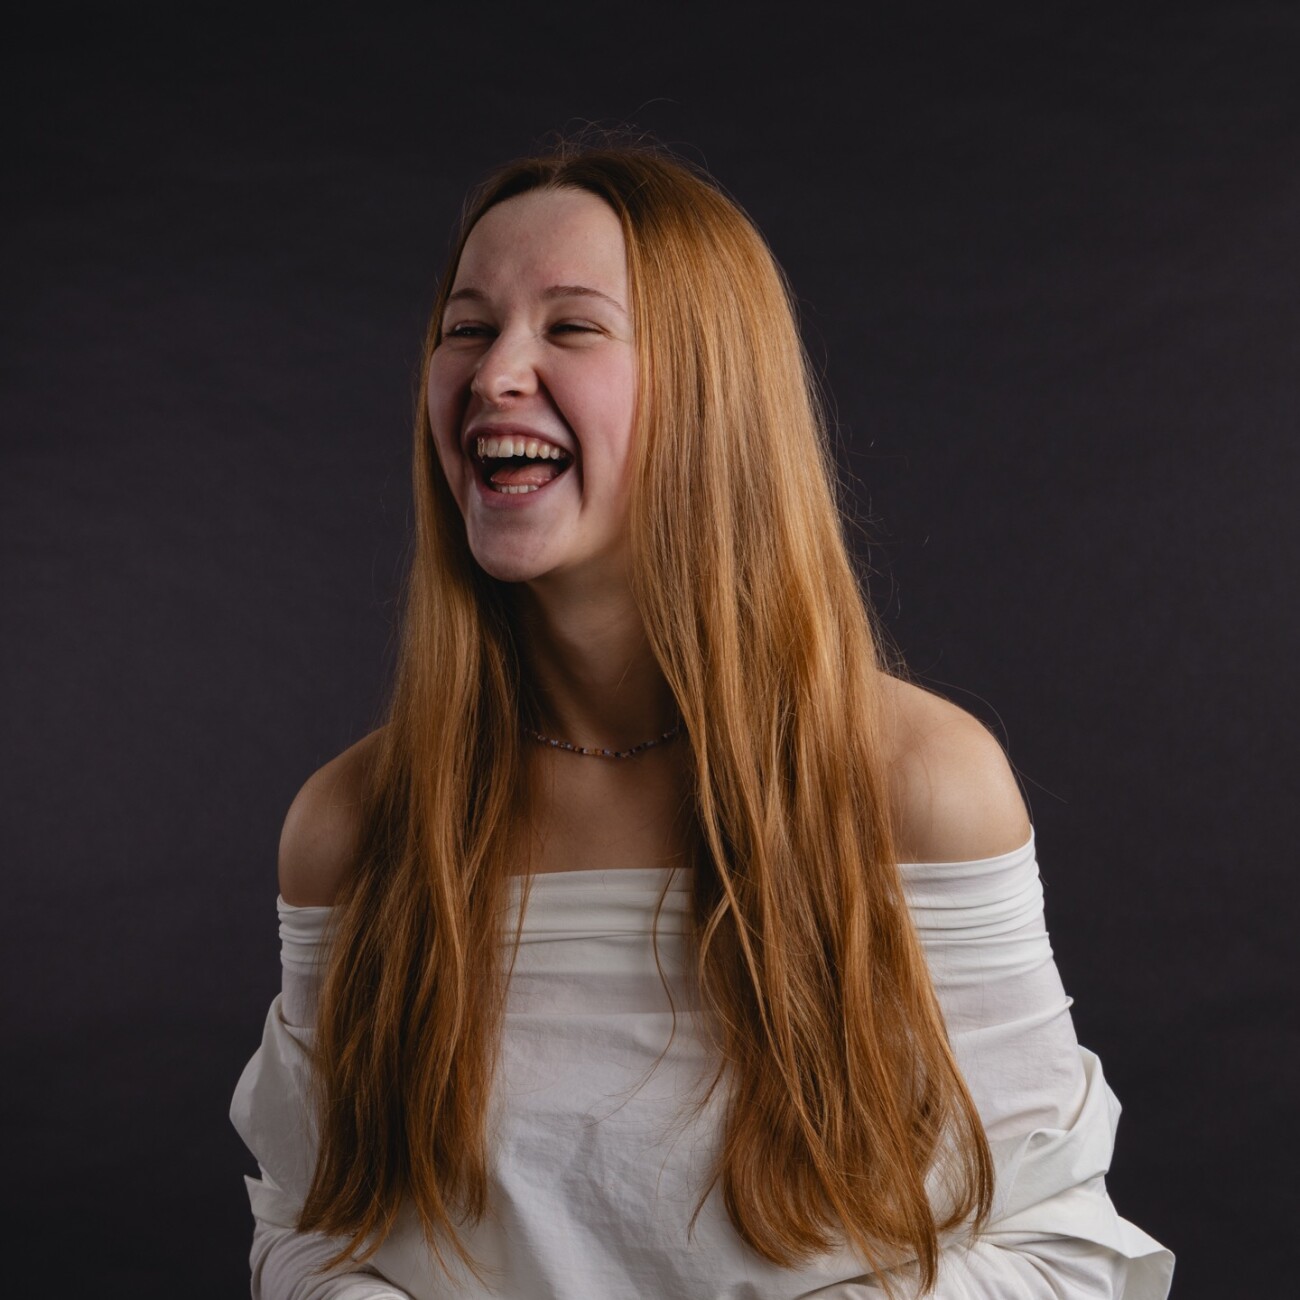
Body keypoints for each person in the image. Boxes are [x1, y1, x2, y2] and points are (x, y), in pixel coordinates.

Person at [231, 139, 1174, 1299]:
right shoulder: (351, 825)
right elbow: (313, 1226)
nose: (493, 373)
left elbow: (1058, 1245)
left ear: (710, 391)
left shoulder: (920, 785)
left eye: (570, 327)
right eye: (466, 327)